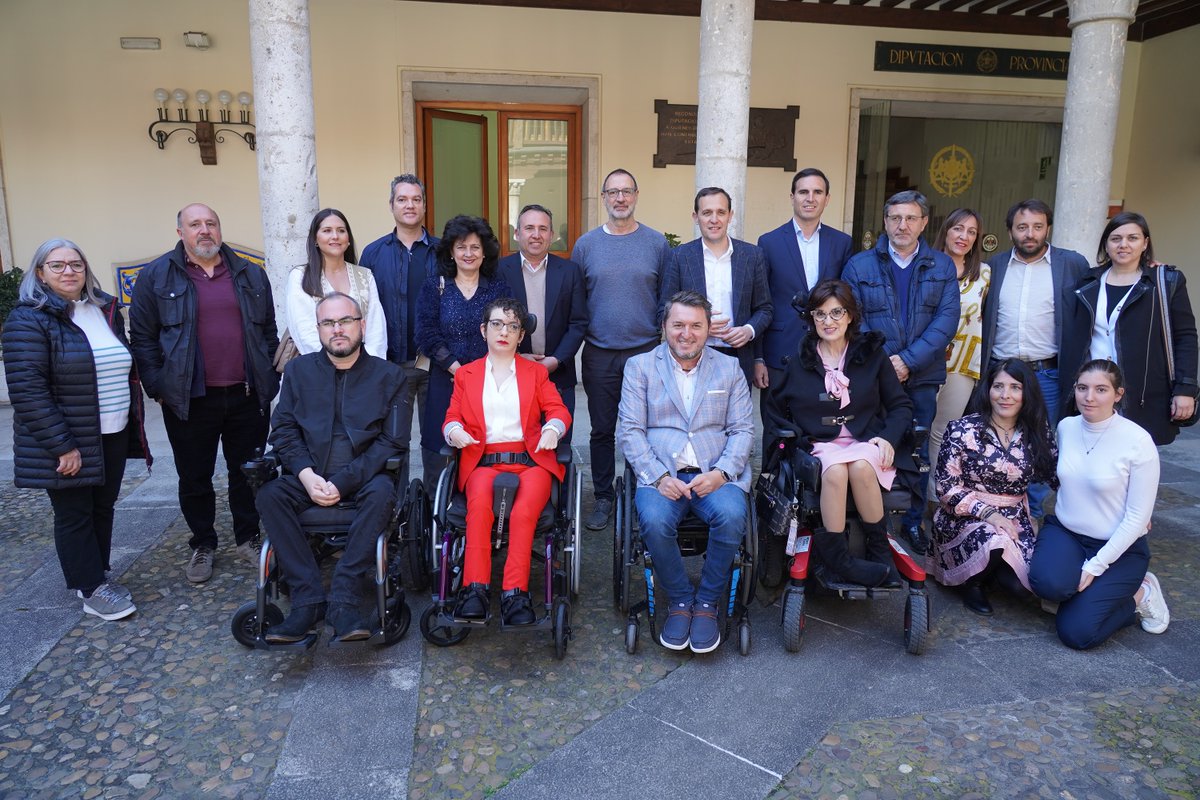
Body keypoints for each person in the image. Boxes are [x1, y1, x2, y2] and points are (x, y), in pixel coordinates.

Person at [129, 203, 280, 583]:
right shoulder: (156, 276)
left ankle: (247, 538)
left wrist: (268, 376)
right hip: (189, 397)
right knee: (194, 476)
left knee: (248, 472)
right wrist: (158, 386)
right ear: (180, 232)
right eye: (195, 224)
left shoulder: (249, 273)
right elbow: (143, 339)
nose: (205, 230)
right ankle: (203, 543)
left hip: (247, 394)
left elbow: (268, 331)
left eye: (211, 223)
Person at [3, 239, 151, 621]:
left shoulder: (102, 310)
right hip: (69, 438)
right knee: (74, 513)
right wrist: (61, 446)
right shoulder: (28, 319)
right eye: (57, 265)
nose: (69, 271)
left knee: (102, 507)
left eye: (76, 264)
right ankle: (89, 589)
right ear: (40, 273)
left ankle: (97, 576)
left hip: (111, 431)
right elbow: (28, 390)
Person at [256, 293, 408, 643]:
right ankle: (308, 601)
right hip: (308, 475)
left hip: (364, 479)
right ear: (319, 329)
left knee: (383, 493)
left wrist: (343, 482)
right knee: (269, 495)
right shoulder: (297, 371)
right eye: (328, 323)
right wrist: (307, 477)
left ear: (362, 326)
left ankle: (343, 599)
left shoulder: (389, 376)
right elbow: (284, 430)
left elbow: (393, 442)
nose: (337, 329)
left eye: (345, 321)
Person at [617, 290, 753, 653]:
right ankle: (679, 599)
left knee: (731, 515)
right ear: (664, 327)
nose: (686, 333)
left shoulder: (729, 367)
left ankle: (707, 602)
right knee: (655, 522)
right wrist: (659, 477)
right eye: (678, 324)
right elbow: (629, 430)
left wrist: (723, 473)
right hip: (661, 474)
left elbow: (743, 429)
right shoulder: (640, 367)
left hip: (715, 472)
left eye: (696, 325)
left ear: (709, 329)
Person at [764, 279, 913, 588]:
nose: (828, 321)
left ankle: (879, 552)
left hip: (867, 442)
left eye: (835, 313)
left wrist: (887, 437)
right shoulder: (800, 362)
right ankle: (838, 560)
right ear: (811, 319)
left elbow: (901, 405)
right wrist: (798, 439)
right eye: (820, 314)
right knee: (833, 471)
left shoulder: (872, 356)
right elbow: (774, 410)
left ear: (850, 316)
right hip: (823, 446)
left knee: (859, 466)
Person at [841, 190, 959, 554]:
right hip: (874, 377)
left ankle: (911, 522)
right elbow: (851, 319)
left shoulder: (941, 267)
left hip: (922, 376)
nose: (902, 225)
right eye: (895, 218)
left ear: (924, 223)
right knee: (870, 444)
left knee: (918, 449)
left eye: (910, 218)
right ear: (885, 221)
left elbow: (946, 321)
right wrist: (886, 365)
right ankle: (869, 516)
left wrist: (908, 361)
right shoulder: (859, 266)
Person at [443, 298, 571, 625]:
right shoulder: (467, 375)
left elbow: (558, 410)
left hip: (531, 461)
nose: (505, 332)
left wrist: (553, 430)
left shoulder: (536, 373)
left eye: (513, 326)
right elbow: (452, 416)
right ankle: (475, 589)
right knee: (479, 509)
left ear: (520, 336)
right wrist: (454, 431)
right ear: (484, 330)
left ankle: (515, 593)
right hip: (482, 460)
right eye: (497, 324)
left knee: (524, 512)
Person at [1028, 360, 1170, 649]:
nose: (1089, 397)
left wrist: (1095, 567)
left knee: (1077, 633)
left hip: (1118, 549)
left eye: (1101, 389)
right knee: (1047, 584)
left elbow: (1137, 517)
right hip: (1066, 533)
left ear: (1118, 394)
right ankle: (1077, 592)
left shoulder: (1138, 442)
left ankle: (1140, 594)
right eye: (1082, 388)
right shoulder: (1066, 427)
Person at [572, 168, 671, 530]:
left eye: (626, 191)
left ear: (636, 195)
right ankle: (603, 496)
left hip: (645, 353)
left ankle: (637, 492)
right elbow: (577, 299)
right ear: (603, 198)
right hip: (599, 352)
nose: (620, 199)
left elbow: (667, 297)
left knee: (642, 428)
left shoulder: (657, 244)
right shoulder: (586, 245)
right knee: (602, 429)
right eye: (612, 192)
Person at [980, 199, 1089, 523]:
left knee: (1042, 442)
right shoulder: (994, 267)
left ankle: (1031, 515)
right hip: (1000, 370)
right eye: (1022, 227)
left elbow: (1105, 280)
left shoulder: (1072, 264)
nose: (1030, 234)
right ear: (1010, 230)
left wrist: (1147, 265)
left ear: (1048, 228)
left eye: (1037, 226)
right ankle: (998, 508)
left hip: (1047, 372)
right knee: (998, 439)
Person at [930, 359, 1057, 615]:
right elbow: (946, 489)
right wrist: (991, 514)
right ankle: (972, 582)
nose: (1005, 395)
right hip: (964, 517)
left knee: (1023, 588)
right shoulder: (962, 429)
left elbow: (1058, 476)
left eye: (1015, 387)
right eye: (998, 386)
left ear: (1026, 393)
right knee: (993, 538)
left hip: (1016, 517)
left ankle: (993, 570)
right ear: (987, 390)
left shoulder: (1037, 431)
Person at [1060, 211, 1198, 445]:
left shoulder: (1165, 282)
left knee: (1136, 462)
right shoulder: (1088, 282)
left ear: (1145, 243)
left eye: (1132, 238)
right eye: (1116, 238)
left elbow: (1185, 337)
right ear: (1106, 244)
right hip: (1093, 391)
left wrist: (1185, 389)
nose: (1124, 245)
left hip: (1142, 392)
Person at [359, 175, 443, 488]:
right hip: (391, 365)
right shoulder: (373, 253)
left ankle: (436, 510)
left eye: (416, 199)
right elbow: (364, 307)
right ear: (391, 205)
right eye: (402, 199)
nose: (409, 205)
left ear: (424, 205)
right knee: (394, 442)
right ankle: (397, 512)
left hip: (435, 363)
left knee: (436, 441)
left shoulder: (441, 251)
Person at [415, 215, 512, 479]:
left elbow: (507, 331)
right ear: (450, 251)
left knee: (485, 450)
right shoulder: (435, 287)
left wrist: (477, 374)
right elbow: (426, 334)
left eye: (475, 247)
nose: (468, 253)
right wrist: (457, 370)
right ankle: (438, 514)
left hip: (490, 384)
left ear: (484, 253)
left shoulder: (498, 290)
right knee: (439, 451)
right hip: (445, 381)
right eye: (461, 247)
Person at [754, 167, 854, 406]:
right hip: (779, 352)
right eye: (803, 192)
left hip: (828, 352)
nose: (810, 198)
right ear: (792, 197)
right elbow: (759, 302)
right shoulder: (768, 242)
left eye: (817, 192)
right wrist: (758, 358)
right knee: (776, 431)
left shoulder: (842, 243)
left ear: (827, 199)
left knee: (821, 426)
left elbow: (846, 301)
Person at [659, 187, 772, 388]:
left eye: (721, 212)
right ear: (695, 217)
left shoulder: (753, 256)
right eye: (706, 213)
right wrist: (701, 328)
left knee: (735, 418)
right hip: (692, 355)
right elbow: (665, 311)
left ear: (730, 216)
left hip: (739, 356)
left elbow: (764, 308)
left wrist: (749, 330)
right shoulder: (680, 257)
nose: (714, 219)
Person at [496, 203, 588, 442]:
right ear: (517, 234)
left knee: (557, 445)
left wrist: (555, 361)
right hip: (511, 373)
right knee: (515, 445)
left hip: (558, 374)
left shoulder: (570, 271)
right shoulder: (498, 270)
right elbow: (494, 324)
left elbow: (578, 323)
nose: (536, 234)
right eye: (529, 228)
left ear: (552, 234)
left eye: (542, 228)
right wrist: (515, 357)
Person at [928, 208, 991, 500]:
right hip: (925, 363)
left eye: (971, 232)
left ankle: (936, 500)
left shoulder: (985, 274)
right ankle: (909, 503)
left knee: (943, 434)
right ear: (946, 230)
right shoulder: (925, 265)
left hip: (962, 366)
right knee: (918, 429)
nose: (963, 236)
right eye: (958, 229)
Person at [285, 208, 386, 358]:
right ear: (315, 239)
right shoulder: (300, 276)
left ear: (348, 238)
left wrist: (368, 369)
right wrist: (338, 366)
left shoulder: (364, 276)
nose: (335, 236)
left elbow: (376, 331)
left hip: (365, 372)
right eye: (327, 231)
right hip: (318, 371)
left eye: (341, 230)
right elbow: (304, 332)